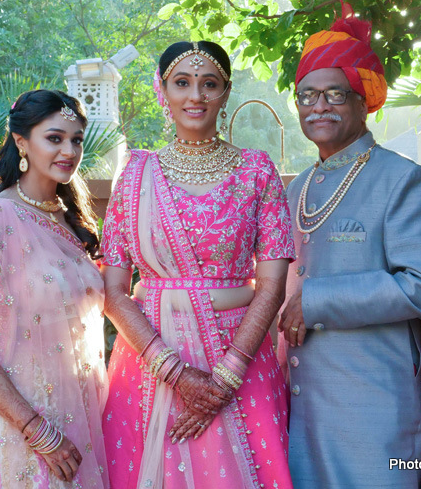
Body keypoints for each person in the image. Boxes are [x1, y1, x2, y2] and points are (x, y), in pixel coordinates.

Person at [101, 41, 295, 489]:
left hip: (241, 359)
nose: (196, 96)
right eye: (182, 83)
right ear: (162, 90)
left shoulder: (255, 170)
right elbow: (113, 292)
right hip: (151, 361)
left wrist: (226, 377)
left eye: (209, 84)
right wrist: (175, 371)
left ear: (225, 93)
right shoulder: (135, 173)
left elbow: (270, 286)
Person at [277, 1, 421, 488]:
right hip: (301, 406)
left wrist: (317, 300)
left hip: (373, 408)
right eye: (306, 96)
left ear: (363, 101)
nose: (318, 107)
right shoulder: (297, 188)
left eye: (335, 94)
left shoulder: (403, 180)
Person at [0, 89, 110, 488]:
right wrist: (36, 430)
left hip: (83, 413)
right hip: (19, 428)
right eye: (54, 138)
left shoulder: (74, 224)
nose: (69, 150)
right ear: (20, 141)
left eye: (77, 139)